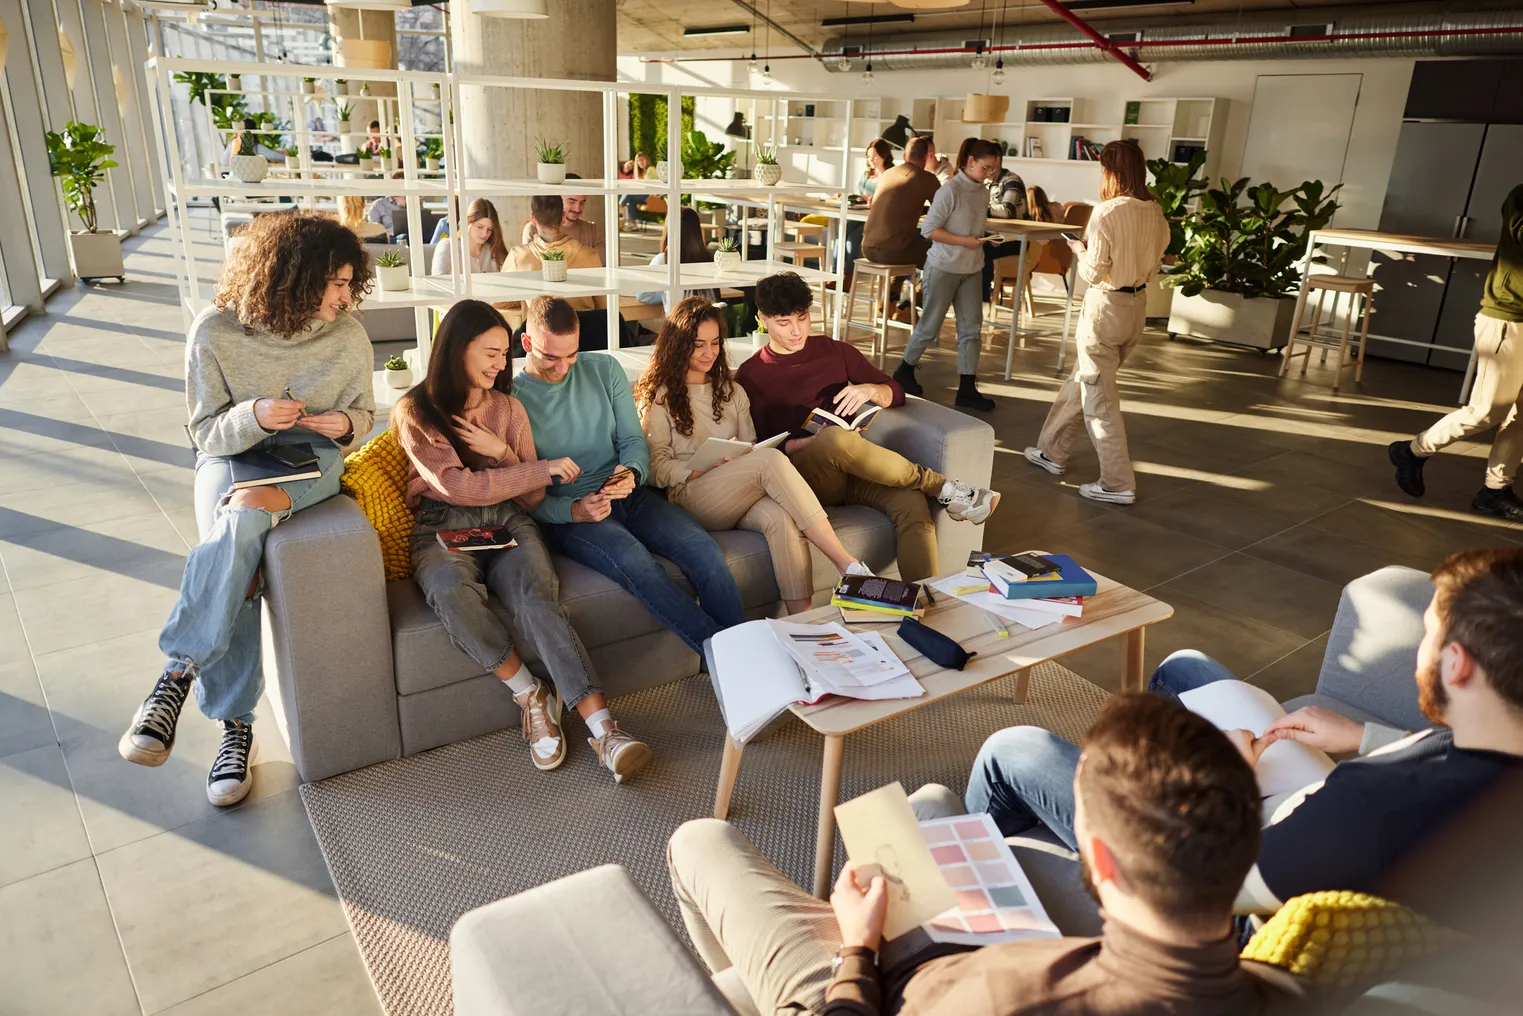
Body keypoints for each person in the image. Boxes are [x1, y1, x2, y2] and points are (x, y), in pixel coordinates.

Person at [965, 546, 1523, 916]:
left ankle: (968, 900)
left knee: (1011, 748)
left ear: (1458, 665)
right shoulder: (1491, 746)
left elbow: (1194, 895)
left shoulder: (1366, 812)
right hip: (1293, 802)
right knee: (1185, 666)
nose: (1418, 652)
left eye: (1427, 636)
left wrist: (1223, 781)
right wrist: (1362, 737)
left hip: (1232, 866)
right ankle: (1147, 769)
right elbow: (1442, 755)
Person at [666, 693, 1297, 1015]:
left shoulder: (1006, 1000)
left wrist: (857, 949)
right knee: (935, 803)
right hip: (993, 956)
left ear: (1101, 864)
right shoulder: (1287, 990)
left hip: (871, 993)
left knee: (699, 840)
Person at [118, 213, 376, 806]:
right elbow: (205, 433)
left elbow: (363, 418)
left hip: (312, 463)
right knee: (237, 526)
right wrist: (253, 416)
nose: (345, 295)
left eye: (347, 281)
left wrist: (343, 424)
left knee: (240, 521)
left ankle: (178, 677)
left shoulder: (349, 335)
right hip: (233, 457)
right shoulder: (214, 331)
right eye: (334, 283)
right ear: (292, 276)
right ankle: (235, 729)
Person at [392, 300, 649, 781]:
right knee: (450, 591)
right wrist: (538, 468)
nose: (498, 363)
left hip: (508, 520)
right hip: (444, 523)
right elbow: (457, 485)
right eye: (489, 352)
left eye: (502, 353)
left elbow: (531, 497)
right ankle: (530, 693)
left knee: (537, 599)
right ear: (455, 349)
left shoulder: (508, 408)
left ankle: (606, 732)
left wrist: (505, 452)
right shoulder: (417, 410)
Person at [513, 296, 746, 664]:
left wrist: (631, 472)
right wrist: (573, 509)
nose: (562, 367)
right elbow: (523, 491)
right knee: (640, 567)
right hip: (575, 516)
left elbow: (633, 441)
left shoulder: (604, 369)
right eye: (550, 357)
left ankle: (739, 661)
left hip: (630, 494)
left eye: (572, 354)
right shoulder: (512, 401)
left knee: (704, 552)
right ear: (527, 344)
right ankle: (736, 663)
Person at [735, 272, 1000, 583]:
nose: (796, 330)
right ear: (763, 320)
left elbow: (896, 392)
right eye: (784, 322)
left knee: (912, 503)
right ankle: (944, 488)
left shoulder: (834, 351)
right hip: (804, 479)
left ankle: (925, 601)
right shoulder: (752, 374)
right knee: (835, 439)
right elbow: (760, 447)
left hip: (854, 468)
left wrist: (870, 391)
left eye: (803, 318)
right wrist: (810, 443)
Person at [636, 298, 873, 614]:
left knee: (781, 518)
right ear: (678, 346)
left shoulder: (732, 391)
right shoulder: (660, 395)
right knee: (771, 460)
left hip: (737, 491)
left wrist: (739, 454)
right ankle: (847, 564)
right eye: (698, 345)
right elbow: (653, 466)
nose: (709, 353)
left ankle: (802, 623)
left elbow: (751, 445)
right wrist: (700, 469)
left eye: (715, 343)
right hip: (689, 496)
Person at [1023, 140, 1169, 506]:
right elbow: (1155, 265)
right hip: (1136, 308)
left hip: (1104, 309)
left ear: (1110, 171)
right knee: (1085, 380)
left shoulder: (1107, 211)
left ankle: (1117, 482)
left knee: (1099, 397)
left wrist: (1080, 250)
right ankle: (1051, 451)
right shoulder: (1155, 210)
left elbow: (1091, 273)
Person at [1391, 183, 1523, 522]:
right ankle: (1412, 450)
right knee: (1486, 412)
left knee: (1522, 417)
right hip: (1507, 319)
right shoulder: (1521, 196)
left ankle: (1494, 491)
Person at [893, 139, 1005, 414]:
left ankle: (967, 387)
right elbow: (929, 230)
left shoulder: (981, 191)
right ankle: (903, 372)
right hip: (943, 266)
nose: (990, 174)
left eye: (994, 169)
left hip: (971, 266)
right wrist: (964, 241)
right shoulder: (950, 190)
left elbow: (970, 226)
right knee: (930, 324)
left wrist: (985, 238)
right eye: (986, 167)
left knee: (971, 329)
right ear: (970, 162)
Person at [504, 196, 605, 313]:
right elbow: (603, 304)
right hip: (584, 328)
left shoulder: (518, 256)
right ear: (562, 217)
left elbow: (500, 301)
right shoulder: (590, 255)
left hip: (538, 328)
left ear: (533, 219)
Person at [861, 135, 939, 270]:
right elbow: (944, 208)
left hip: (867, 247)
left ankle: (893, 291)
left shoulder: (887, 174)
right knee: (940, 253)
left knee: (908, 242)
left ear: (904, 155)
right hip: (893, 252)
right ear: (926, 157)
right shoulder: (926, 178)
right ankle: (921, 291)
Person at [634, 207, 720, 314]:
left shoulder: (663, 260)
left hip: (680, 327)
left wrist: (668, 292)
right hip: (710, 325)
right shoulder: (709, 258)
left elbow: (643, 295)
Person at [522, 175, 607, 264]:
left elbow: (600, 266)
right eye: (571, 201)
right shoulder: (534, 228)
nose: (577, 209)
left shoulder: (592, 230)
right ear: (557, 199)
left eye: (582, 203)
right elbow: (532, 265)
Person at [431, 197, 508, 275]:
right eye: (480, 227)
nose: (485, 233)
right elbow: (439, 282)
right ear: (467, 223)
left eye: (490, 229)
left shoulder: (493, 251)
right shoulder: (447, 247)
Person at [365, 171, 407, 240]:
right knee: (403, 237)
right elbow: (373, 229)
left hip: (412, 235)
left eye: (402, 186)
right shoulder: (379, 204)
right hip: (390, 238)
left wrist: (406, 205)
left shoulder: (413, 203)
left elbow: (422, 224)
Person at [858, 139, 894, 203]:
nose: (871, 160)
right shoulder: (865, 176)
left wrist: (873, 199)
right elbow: (858, 197)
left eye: (874, 156)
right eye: (869, 156)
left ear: (884, 155)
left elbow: (893, 200)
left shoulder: (892, 177)